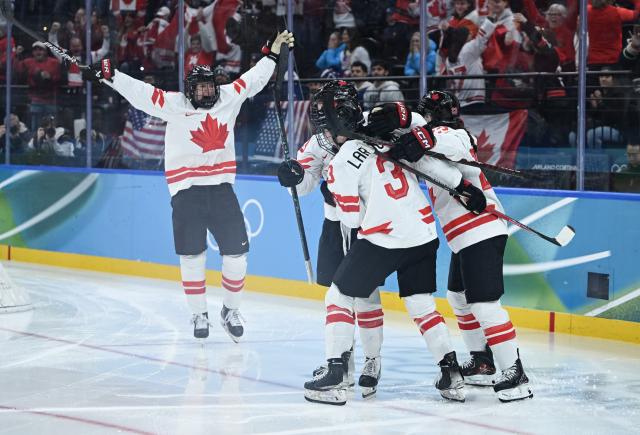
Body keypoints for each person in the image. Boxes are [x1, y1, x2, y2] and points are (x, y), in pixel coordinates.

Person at [85, 30, 295, 341]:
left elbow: (254, 79)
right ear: (189, 89)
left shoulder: (228, 98)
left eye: (211, 85)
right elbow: (141, 93)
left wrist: (273, 55)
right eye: (201, 87)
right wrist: (109, 75)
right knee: (192, 257)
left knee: (237, 257)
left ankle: (230, 310)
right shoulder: (173, 104)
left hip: (222, 189)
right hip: (186, 193)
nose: (207, 91)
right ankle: (199, 314)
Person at [301, 82, 466, 405]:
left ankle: (335, 373)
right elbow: (428, 163)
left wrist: (338, 194)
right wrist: (462, 186)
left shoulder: (340, 160)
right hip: (423, 234)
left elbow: (351, 220)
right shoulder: (389, 135)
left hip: (383, 238)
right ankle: (451, 373)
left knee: (339, 294)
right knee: (422, 305)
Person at [391, 90, 533, 403]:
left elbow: (453, 143)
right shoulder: (432, 142)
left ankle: (515, 372)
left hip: (480, 230)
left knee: (483, 304)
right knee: (458, 297)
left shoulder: (450, 134)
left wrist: (423, 140)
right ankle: (482, 362)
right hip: (464, 237)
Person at [277, 82, 415, 399]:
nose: (327, 131)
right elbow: (306, 184)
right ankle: (343, 362)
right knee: (338, 295)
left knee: (364, 296)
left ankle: (372, 361)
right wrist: (293, 179)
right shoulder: (317, 143)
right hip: (334, 224)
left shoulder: (372, 130)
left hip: (366, 226)